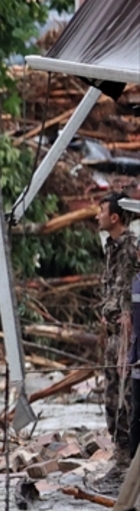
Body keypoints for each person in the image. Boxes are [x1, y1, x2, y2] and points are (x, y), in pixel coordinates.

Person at [96, 193, 140, 479]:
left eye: (101, 211)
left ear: (115, 217)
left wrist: (128, 321)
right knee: (111, 397)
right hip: (110, 331)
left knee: (125, 398)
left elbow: (130, 288)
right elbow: (110, 286)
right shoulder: (110, 248)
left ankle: (127, 461)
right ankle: (118, 455)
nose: (97, 216)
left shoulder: (131, 247)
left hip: (126, 333)